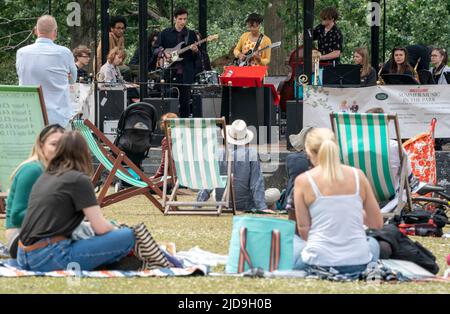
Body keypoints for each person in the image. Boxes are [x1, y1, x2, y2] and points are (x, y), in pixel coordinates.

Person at [16, 131, 135, 272]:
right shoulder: (79, 179)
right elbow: (100, 228)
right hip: (50, 256)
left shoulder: (45, 176)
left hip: (23, 256)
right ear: (84, 153)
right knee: (129, 235)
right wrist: (117, 229)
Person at [292, 128, 383, 275]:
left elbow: (304, 229)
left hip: (318, 262)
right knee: (373, 244)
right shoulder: (358, 175)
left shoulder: (303, 181)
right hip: (358, 262)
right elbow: (376, 224)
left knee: (292, 241)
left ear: (308, 152)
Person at [5, 124, 65, 258]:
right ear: (41, 145)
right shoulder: (33, 170)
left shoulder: (54, 171)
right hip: (21, 237)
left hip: (39, 233)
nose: (60, 150)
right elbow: (17, 217)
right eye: (54, 144)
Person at [16, 15, 77, 127]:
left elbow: (21, 75)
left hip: (29, 116)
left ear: (36, 30)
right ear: (55, 32)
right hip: (59, 118)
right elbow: (73, 79)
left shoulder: (21, 53)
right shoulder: (65, 53)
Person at [197, 119, 268, 212]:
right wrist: (262, 207)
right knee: (275, 193)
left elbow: (208, 183)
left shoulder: (217, 154)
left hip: (222, 203)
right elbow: (256, 183)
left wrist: (197, 204)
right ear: (245, 139)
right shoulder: (252, 154)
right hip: (246, 205)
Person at [155, 8, 199, 117]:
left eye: (185, 19)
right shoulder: (165, 33)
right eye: (180, 19)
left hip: (185, 73)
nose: (183, 22)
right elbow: (156, 48)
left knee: (185, 104)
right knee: (168, 103)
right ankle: (167, 127)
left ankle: (184, 128)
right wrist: (163, 53)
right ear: (175, 19)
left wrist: (195, 51)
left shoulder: (191, 34)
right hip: (169, 72)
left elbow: (197, 57)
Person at [150, 112, 179, 181]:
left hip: (172, 179)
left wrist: (156, 176)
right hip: (186, 179)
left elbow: (165, 162)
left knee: (149, 183)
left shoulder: (167, 140)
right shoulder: (183, 139)